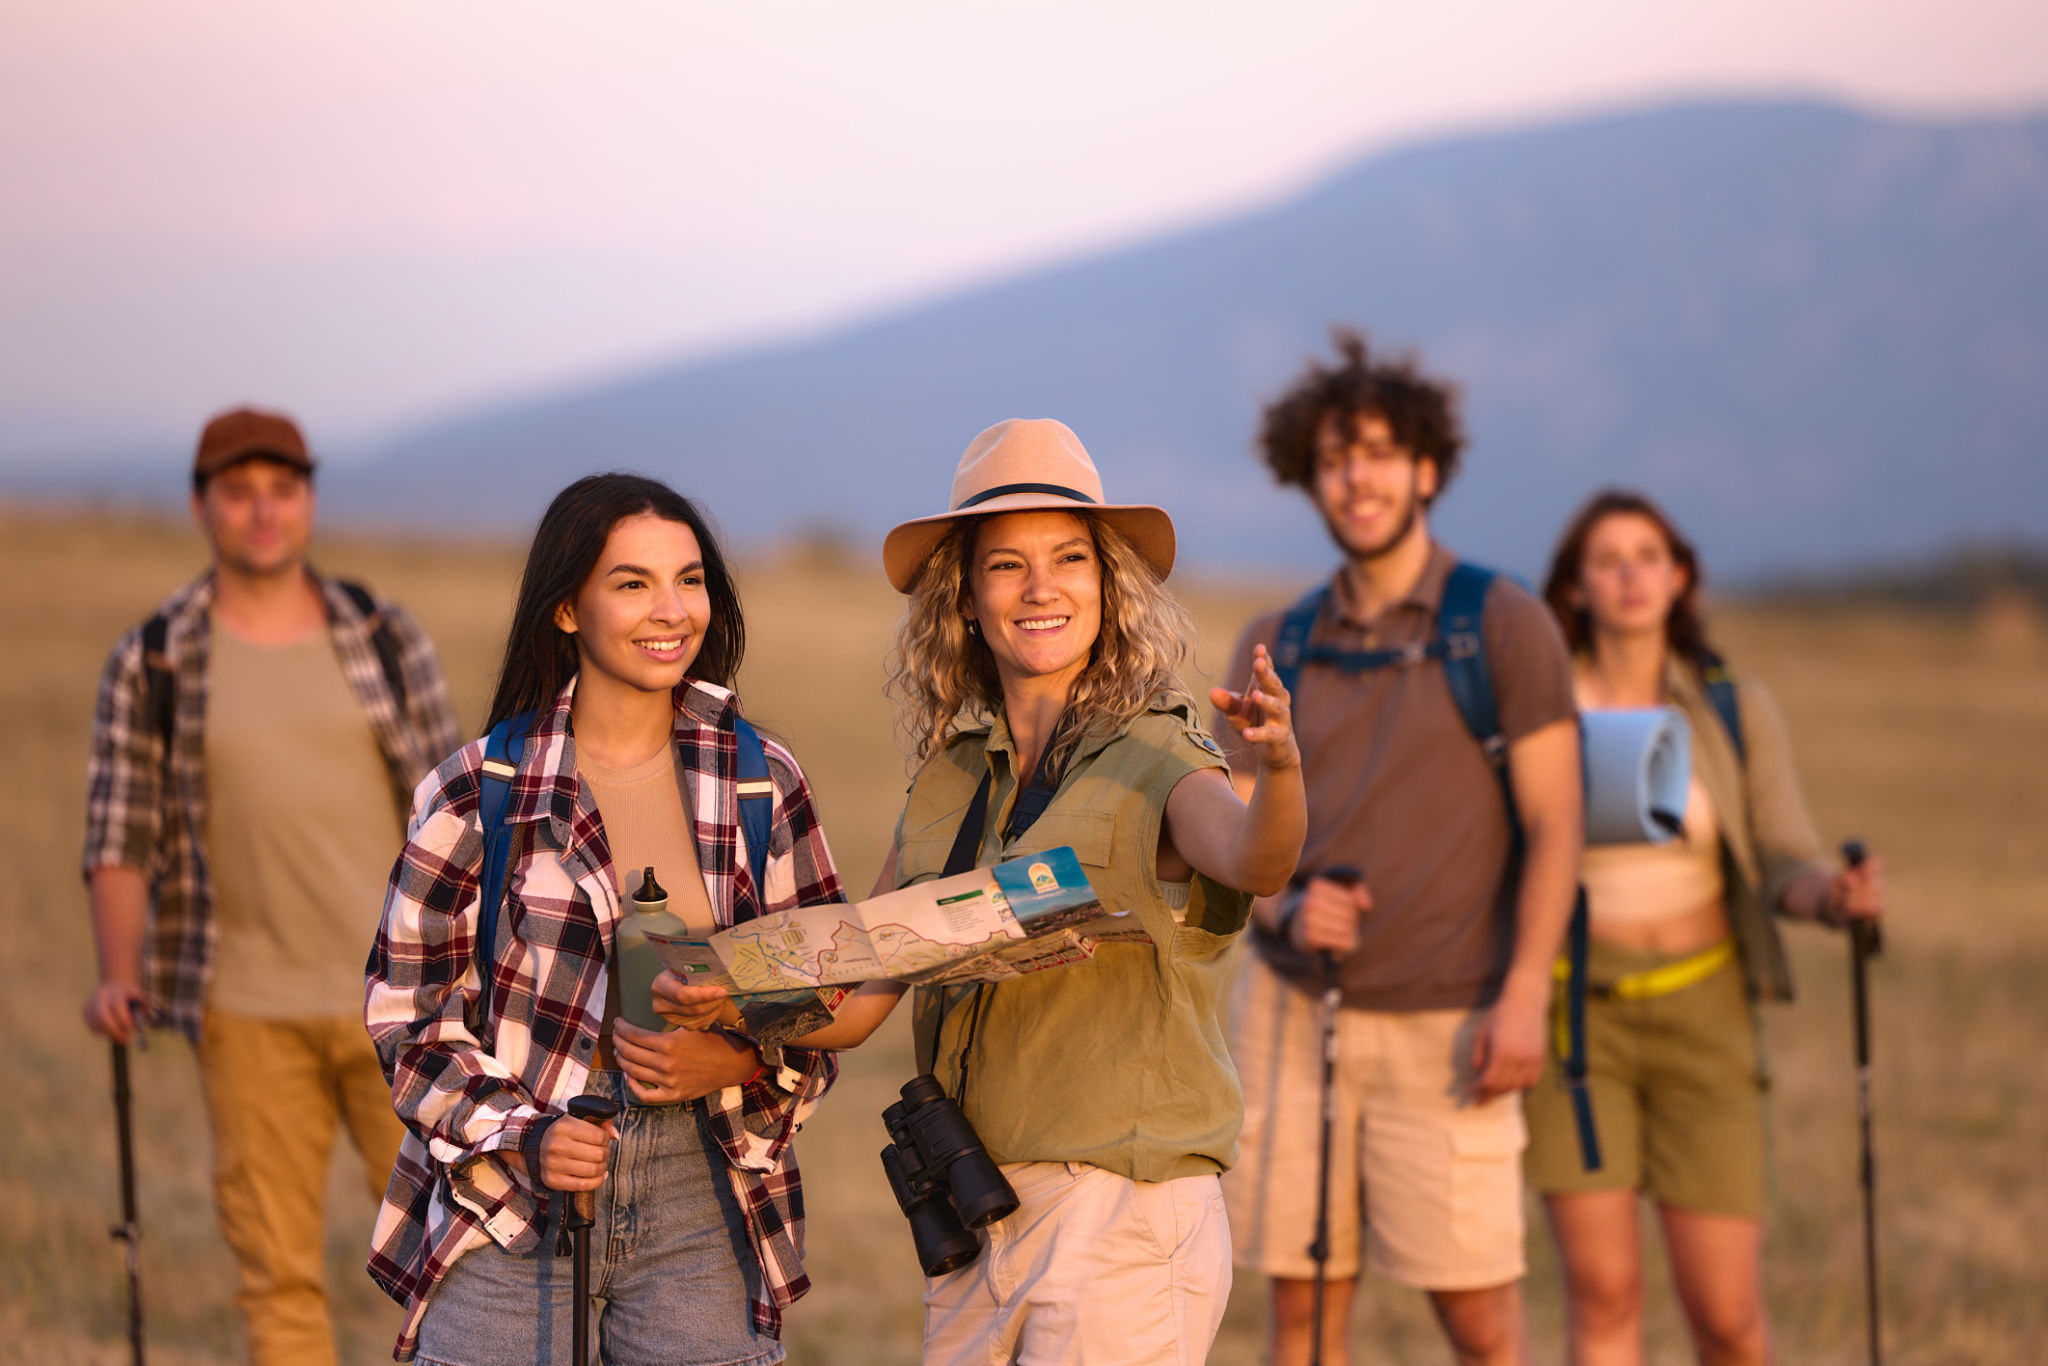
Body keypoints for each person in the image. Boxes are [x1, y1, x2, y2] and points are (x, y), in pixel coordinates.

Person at [666, 417, 1308, 1364]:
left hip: (1121, 1217)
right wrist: (725, 1007)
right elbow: (860, 992)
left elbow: (1257, 861)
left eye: (1069, 559)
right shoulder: (950, 776)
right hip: (973, 1213)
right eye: (1007, 565)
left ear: (1108, 586)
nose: (1041, 587)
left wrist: (1281, 769)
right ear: (965, 597)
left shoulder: (1162, 753)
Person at [363, 473, 846, 1364]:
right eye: (632, 583)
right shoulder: (478, 791)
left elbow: (823, 993)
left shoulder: (761, 780)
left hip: (705, 1194)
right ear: (566, 609)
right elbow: (410, 1021)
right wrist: (529, 1138)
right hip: (513, 1198)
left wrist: (737, 1060)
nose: (672, 610)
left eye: (689, 579)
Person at [1218, 332, 1584, 1366]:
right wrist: (1290, 909)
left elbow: (1557, 823)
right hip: (1292, 1015)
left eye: (1379, 452)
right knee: (1302, 1316)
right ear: (1308, 478)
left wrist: (1525, 996)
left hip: (1452, 1022)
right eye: (1335, 458)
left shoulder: (1501, 623)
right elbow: (1232, 839)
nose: (1357, 477)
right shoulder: (1277, 643)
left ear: (1426, 468)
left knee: (1482, 1325)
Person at [79, 406, 461, 1365]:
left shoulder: (382, 635)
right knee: (277, 1280)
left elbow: (459, 817)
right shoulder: (156, 658)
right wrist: (118, 973)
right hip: (245, 1009)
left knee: (456, 1260)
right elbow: (121, 830)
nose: (262, 512)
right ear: (201, 506)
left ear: (308, 501)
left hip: (403, 1006)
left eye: (281, 491)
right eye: (238, 493)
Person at [1525, 489, 1886, 1366]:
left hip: (1707, 1012)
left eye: (1648, 557)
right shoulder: (1538, 705)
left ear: (1680, 575)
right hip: (1578, 1023)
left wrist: (1832, 898)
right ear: (1573, 586)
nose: (1630, 576)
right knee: (1604, 1297)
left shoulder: (1731, 705)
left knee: (1725, 1317)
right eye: (1607, 560)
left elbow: (1783, 858)